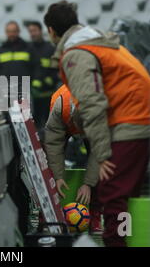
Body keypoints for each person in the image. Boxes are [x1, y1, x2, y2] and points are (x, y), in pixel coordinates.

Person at [43, 0, 150, 247]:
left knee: (112, 193)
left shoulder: (76, 53)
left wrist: (101, 153)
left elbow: (92, 103)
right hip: (144, 112)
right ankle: (131, 240)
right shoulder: (95, 40)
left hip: (131, 117)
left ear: (51, 31)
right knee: (126, 192)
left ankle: (116, 243)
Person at [44, 84, 103, 234]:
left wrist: (88, 184)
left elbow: (98, 153)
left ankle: (95, 216)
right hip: (62, 118)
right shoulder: (60, 106)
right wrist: (57, 177)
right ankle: (45, 216)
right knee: (46, 166)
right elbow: (53, 145)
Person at [26, 21, 59, 130]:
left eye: (34, 31)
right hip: (32, 97)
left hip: (48, 96)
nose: (32, 34)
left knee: (50, 126)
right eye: (30, 31)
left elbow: (57, 70)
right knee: (34, 127)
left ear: (41, 31)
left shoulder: (50, 49)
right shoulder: (27, 49)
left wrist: (46, 81)